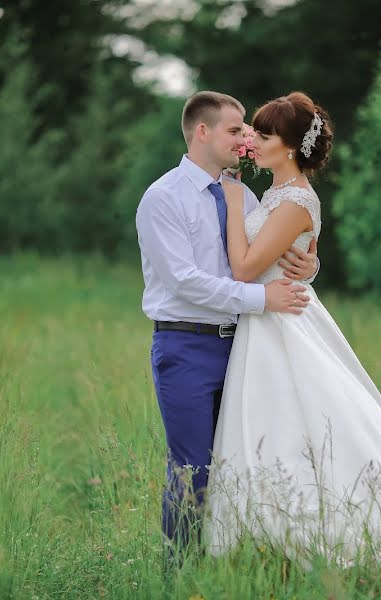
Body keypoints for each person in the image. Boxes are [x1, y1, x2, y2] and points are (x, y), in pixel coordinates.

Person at [205, 91, 381, 598]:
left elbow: (246, 268)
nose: (255, 139)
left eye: (266, 133)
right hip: (265, 322)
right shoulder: (271, 195)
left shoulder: (295, 200)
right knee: (273, 431)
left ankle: (349, 549)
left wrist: (232, 206)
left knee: (317, 430)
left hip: (286, 325)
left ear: (291, 147)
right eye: (253, 130)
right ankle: (267, 554)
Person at [135, 91, 321, 558]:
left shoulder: (246, 194)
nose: (245, 141)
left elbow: (266, 255)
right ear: (203, 132)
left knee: (245, 465)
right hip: (188, 347)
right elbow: (184, 282)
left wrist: (307, 266)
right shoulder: (163, 198)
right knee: (193, 469)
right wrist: (262, 296)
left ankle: (238, 565)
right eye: (236, 130)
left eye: (249, 132)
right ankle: (179, 576)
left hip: (245, 346)